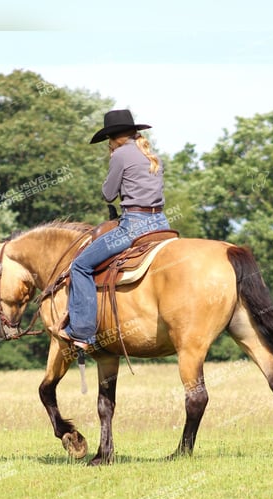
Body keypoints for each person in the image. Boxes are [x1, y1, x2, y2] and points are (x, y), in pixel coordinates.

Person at [55, 109, 170, 351]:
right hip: (162, 224)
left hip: (134, 227)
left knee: (80, 265)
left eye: (109, 138)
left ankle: (83, 332)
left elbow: (108, 194)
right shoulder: (150, 154)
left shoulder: (120, 155)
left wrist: (113, 161)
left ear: (116, 137)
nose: (108, 143)